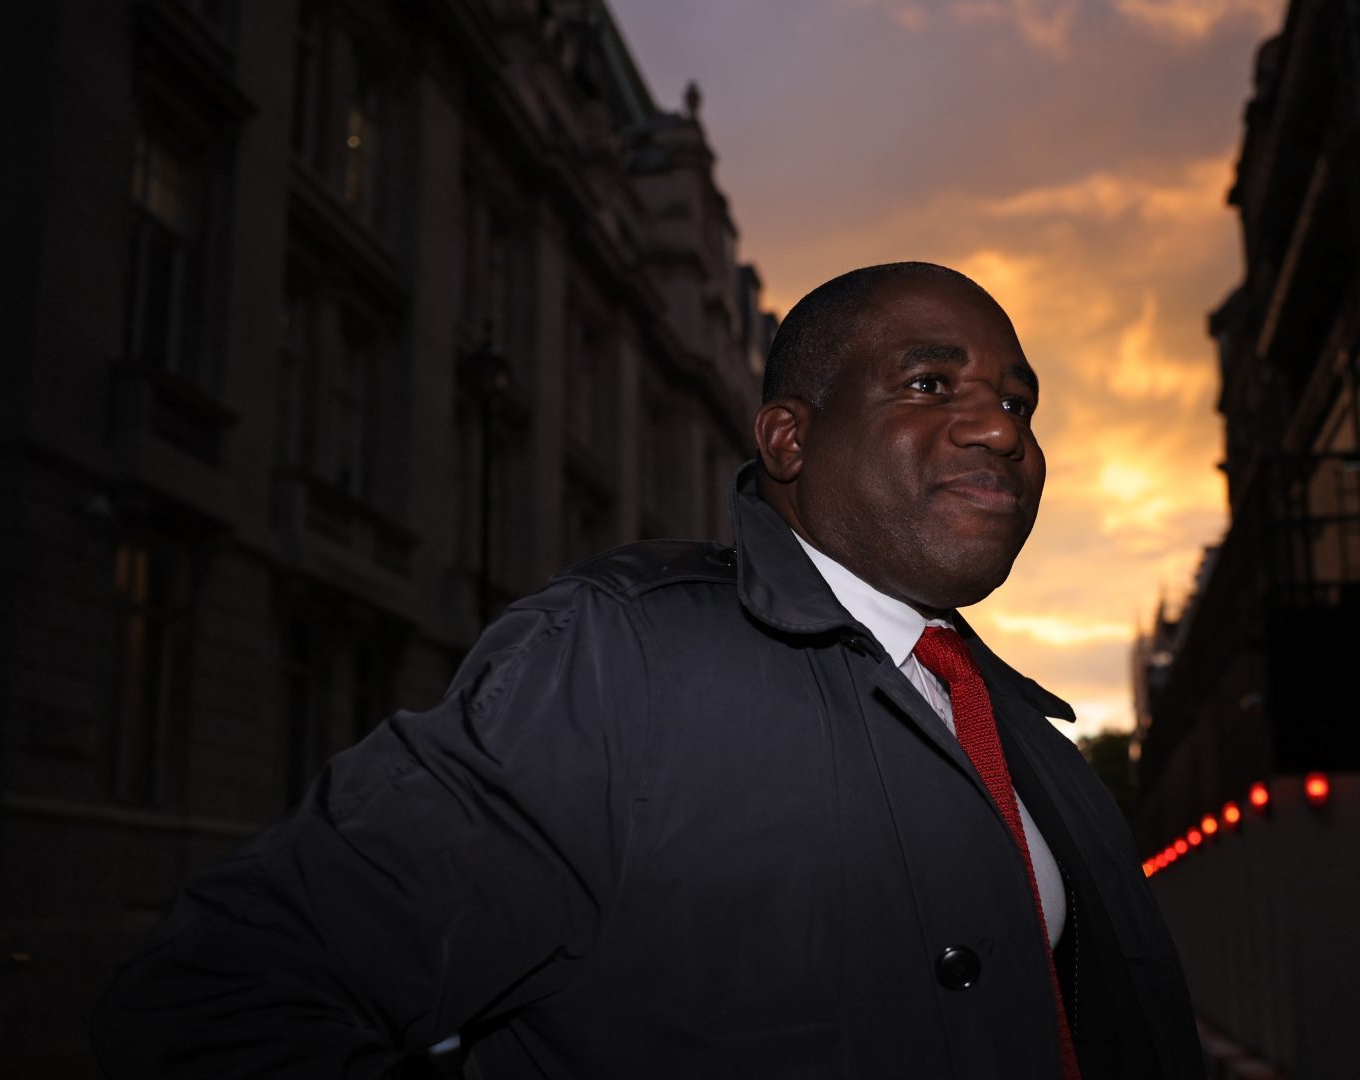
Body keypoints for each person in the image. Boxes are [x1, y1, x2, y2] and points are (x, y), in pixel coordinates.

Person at [93, 262, 1202, 1077]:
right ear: (788, 440)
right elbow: (211, 1003)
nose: (1001, 429)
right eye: (928, 384)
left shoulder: (1031, 744)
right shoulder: (615, 659)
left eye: (1018, 402)